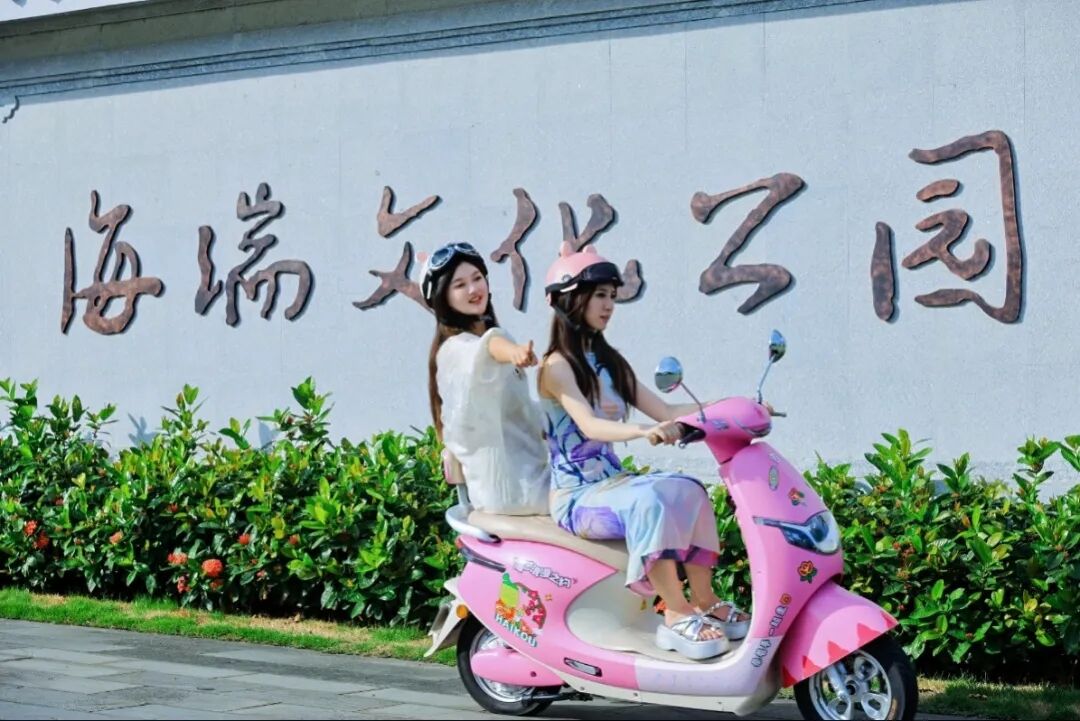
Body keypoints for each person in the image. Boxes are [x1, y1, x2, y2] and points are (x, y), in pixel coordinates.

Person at [537, 243, 749, 660]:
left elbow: (666, 410)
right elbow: (590, 426)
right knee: (649, 500)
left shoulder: (610, 361)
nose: (608, 305)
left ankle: (705, 600)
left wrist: (731, 406)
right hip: (577, 497)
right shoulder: (555, 366)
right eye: (599, 295)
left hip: (612, 484)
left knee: (689, 489)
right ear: (568, 300)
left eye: (612, 296)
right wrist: (642, 431)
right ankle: (675, 612)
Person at [422, 242, 549, 515]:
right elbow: (487, 350)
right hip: (511, 489)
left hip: (529, 476)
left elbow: (521, 412)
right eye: (459, 285)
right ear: (442, 297)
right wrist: (513, 352)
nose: (473, 289)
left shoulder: (490, 338)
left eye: (477, 278)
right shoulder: (454, 350)